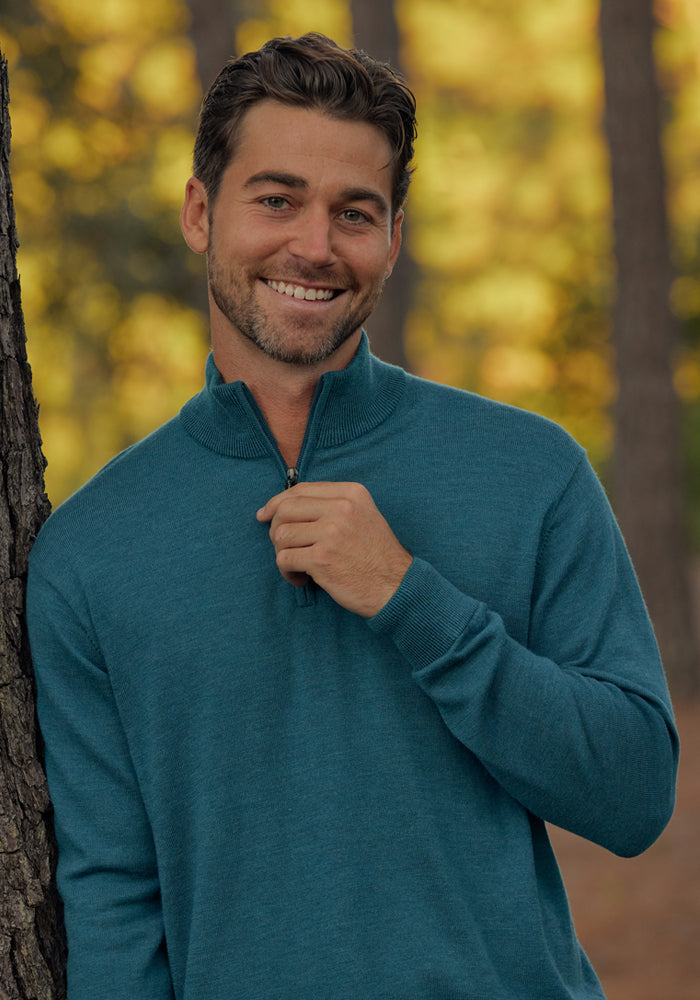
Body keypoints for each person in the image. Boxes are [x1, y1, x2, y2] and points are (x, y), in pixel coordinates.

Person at [27, 32, 678, 1000]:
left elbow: (631, 796)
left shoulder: (528, 469)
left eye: (354, 212)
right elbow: (115, 892)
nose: (315, 246)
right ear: (202, 212)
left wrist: (415, 601)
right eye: (277, 199)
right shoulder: (91, 548)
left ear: (393, 238)